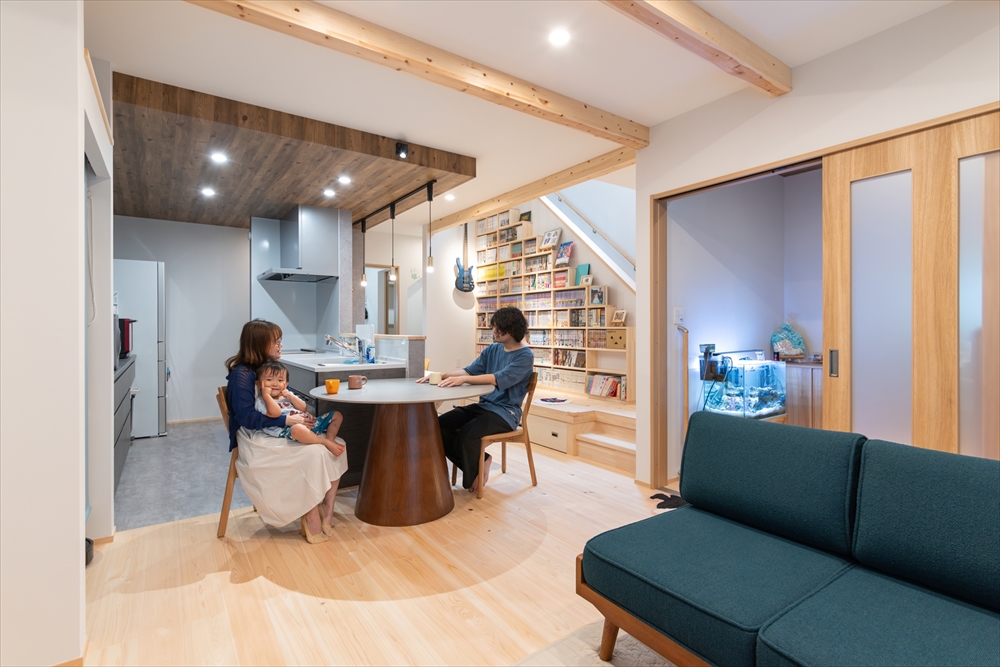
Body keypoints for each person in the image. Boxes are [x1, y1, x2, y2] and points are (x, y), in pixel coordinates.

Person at [225, 319, 348, 544]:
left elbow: (289, 402)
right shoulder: (242, 375)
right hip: (256, 436)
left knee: (338, 444)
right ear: (259, 343)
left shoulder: (271, 369)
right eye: (276, 341)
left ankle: (326, 507)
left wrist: (301, 416)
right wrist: (287, 420)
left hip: (280, 426)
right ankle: (310, 514)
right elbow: (246, 418)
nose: (280, 345)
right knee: (314, 452)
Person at [418, 307, 533, 493]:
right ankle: (482, 461)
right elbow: (469, 371)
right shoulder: (493, 349)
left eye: (498, 327)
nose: (494, 331)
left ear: (512, 329)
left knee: (467, 435)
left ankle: (474, 479)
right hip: (484, 406)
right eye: (494, 326)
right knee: (437, 426)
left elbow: (497, 378)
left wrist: (464, 379)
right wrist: (442, 375)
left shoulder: (525, 356)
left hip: (506, 413)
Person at [254, 361, 346, 456]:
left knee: (337, 415)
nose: (275, 384)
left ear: (286, 384)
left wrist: (291, 396)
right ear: (258, 383)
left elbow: (303, 408)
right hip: (287, 429)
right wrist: (266, 395)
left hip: (309, 423)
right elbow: (276, 413)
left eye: (280, 380)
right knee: (298, 430)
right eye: (269, 379)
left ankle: (330, 438)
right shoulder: (262, 401)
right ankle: (324, 442)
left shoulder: (287, 395)